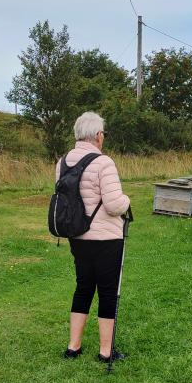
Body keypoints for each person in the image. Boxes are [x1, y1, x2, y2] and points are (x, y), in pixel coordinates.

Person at [59, 111, 130, 364]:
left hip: (77, 235)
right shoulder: (104, 163)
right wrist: (127, 200)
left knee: (83, 287)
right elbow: (114, 205)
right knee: (108, 291)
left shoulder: (63, 161)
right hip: (106, 238)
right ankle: (105, 351)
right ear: (98, 135)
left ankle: (73, 346)